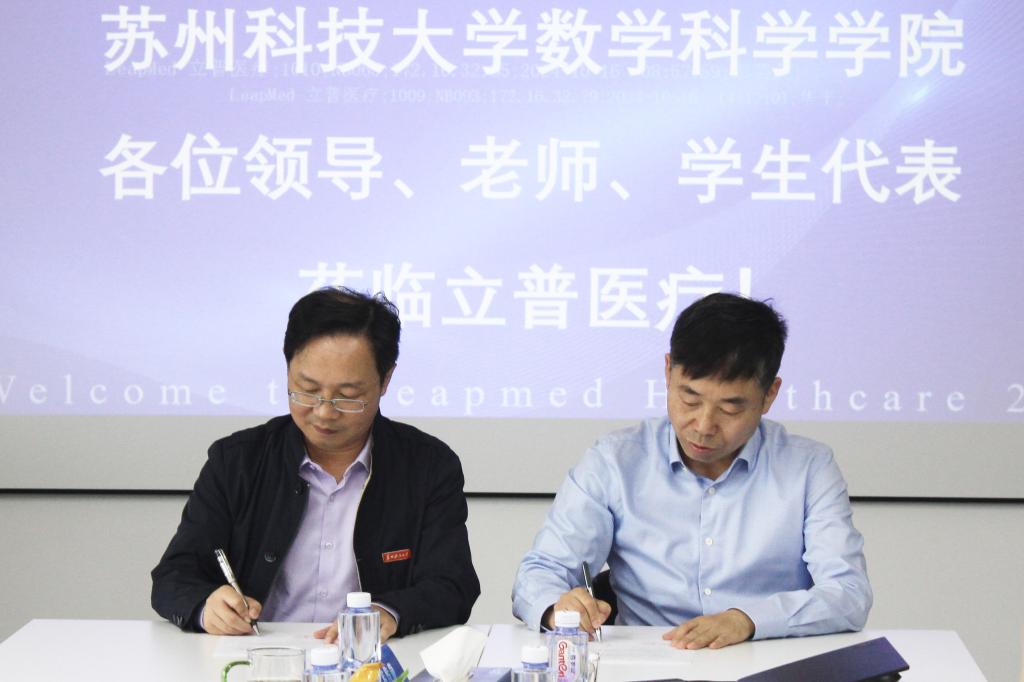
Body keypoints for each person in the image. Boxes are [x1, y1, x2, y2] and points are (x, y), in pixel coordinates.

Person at [512, 293, 872, 650]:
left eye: (730, 408)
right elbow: (541, 572)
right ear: (668, 371)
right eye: (690, 399)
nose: (703, 425)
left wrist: (748, 620)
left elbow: (848, 593)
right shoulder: (615, 462)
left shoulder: (809, 469)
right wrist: (556, 609)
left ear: (769, 395)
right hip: (648, 662)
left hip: (767, 660)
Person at [152, 287, 480, 641]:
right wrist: (206, 605)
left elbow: (452, 585)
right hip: (259, 654)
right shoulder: (238, 460)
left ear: (386, 379)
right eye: (307, 390)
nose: (324, 412)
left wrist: (389, 612)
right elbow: (174, 576)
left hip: (367, 658)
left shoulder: (427, 466)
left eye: (348, 396)